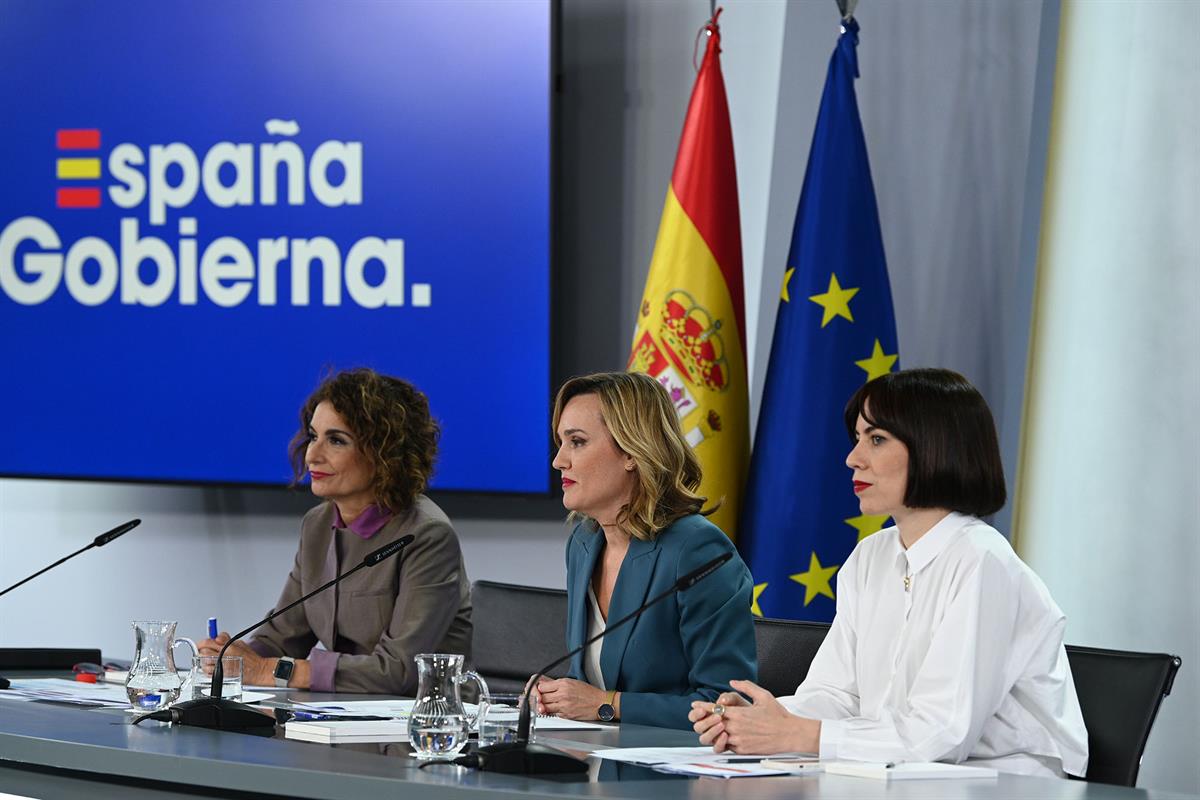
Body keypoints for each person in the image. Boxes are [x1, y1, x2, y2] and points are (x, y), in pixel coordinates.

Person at [690, 368, 1089, 777]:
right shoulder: (870, 556)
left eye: (876, 440)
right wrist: (759, 718)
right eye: (858, 438)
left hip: (1011, 782)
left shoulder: (984, 562)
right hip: (903, 775)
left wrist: (799, 735)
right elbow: (837, 694)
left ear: (936, 447)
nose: (852, 458)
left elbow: (939, 735)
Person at [198, 368, 472, 694]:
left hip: (425, 725)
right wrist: (234, 659)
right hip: (343, 716)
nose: (313, 455)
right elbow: (284, 635)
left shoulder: (428, 536)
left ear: (385, 454)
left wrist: (275, 671)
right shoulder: (317, 524)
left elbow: (400, 670)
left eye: (336, 440)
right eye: (313, 436)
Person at [535, 372, 757, 730]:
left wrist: (607, 705)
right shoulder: (584, 541)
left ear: (631, 452)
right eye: (560, 442)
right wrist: (556, 697)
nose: (559, 461)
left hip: (674, 775)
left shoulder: (697, 550)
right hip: (597, 760)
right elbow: (595, 677)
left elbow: (724, 705)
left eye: (576, 442)